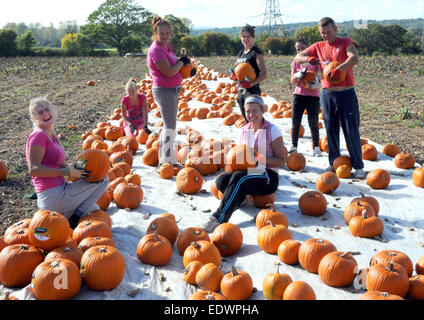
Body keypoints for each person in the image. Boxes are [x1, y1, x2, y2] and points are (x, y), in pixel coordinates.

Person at [294, 17, 365, 179]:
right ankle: (333, 162)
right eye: (323, 33)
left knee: (351, 129)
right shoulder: (318, 46)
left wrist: (340, 68)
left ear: (336, 29)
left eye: (329, 32)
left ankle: (358, 165)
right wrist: (307, 59)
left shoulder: (347, 42)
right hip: (327, 94)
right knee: (331, 129)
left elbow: (354, 58)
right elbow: (297, 58)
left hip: (346, 93)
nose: (326, 35)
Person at [202, 95, 285, 233]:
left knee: (240, 177)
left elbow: (281, 161)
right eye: (248, 111)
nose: (251, 115)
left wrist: (259, 158)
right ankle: (240, 198)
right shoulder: (244, 130)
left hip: (268, 177)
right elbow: (242, 157)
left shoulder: (272, 130)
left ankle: (218, 218)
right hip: (250, 172)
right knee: (221, 181)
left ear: (262, 110)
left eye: (255, 111)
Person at [25, 97, 109, 229]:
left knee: (95, 208)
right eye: (40, 112)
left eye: (47, 109)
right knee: (104, 179)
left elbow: (60, 163)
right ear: (35, 118)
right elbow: (33, 169)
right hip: (53, 196)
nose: (45, 114)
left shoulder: (50, 134)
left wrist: (78, 168)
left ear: (52, 110)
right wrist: (65, 172)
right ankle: (74, 219)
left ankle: (72, 215)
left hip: (59, 191)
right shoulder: (39, 135)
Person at [147, 16, 189, 166]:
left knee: (169, 125)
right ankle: (166, 162)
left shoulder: (167, 46)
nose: (164, 36)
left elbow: (173, 63)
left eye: (166, 33)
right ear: (155, 33)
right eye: (161, 33)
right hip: (164, 90)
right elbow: (169, 71)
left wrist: (182, 61)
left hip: (172, 89)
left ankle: (167, 158)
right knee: (169, 126)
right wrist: (181, 62)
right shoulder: (156, 50)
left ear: (170, 33)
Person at [290, 39, 321, 157]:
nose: (300, 51)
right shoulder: (295, 62)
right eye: (298, 49)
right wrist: (297, 76)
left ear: (307, 48)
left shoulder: (314, 61)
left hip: (313, 95)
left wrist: (317, 82)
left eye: (302, 48)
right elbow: (292, 81)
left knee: (313, 122)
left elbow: (322, 76)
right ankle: (294, 146)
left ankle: (316, 147)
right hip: (299, 95)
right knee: (295, 121)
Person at [231, 24, 267, 122]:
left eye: (248, 37)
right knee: (247, 120)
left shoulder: (256, 53)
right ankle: (251, 137)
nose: (246, 39)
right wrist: (233, 74)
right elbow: (237, 69)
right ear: (240, 38)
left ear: (253, 38)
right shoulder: (241, 53)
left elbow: (264, 75)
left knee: (256, 121)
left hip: (252, 92)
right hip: (241, 91)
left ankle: (262, 137)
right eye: (243, 37)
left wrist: (251, 84)